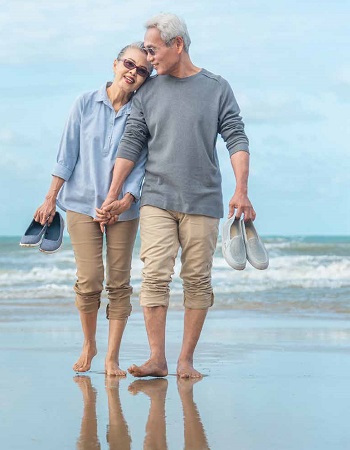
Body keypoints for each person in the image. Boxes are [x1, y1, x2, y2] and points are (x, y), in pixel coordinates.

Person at [96, 14, 255, 378]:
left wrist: (241, 190)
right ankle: (157, 359)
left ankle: (185, 361)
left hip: (203, 200)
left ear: (177, 45)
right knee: (154, 276)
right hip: (156, 197)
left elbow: (236, 138)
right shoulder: (147, 92)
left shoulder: (217, 87)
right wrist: (114, 192)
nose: (149, 58)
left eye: (152, 50)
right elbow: (132, 141)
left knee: (197, 280)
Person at [34, 42, 152, 376]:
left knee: (119, 282)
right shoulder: (84, 103)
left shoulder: (142, 113)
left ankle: (112, 357)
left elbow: (142, 164)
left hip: (123, 210)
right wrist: (49, 198)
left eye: (143, 70)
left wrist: (126, 199)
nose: (134, 72)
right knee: (89, 280)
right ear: (115, 64)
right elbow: (66, 155)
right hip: (81, 205)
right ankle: (89, 344)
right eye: (129, 64)